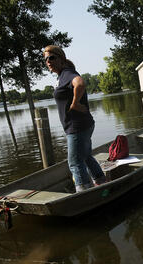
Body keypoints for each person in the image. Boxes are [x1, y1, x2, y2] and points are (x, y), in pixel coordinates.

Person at [43, 45, 106, 192]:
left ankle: (84, 191)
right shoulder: (62, 75)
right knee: (86, 156)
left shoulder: (66, 73)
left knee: (75, 162)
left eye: (52, 57)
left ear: (61, 59)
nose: (48, 61)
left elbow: (80, 83)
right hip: (82, 124)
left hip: (77, 127)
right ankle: (101, 182)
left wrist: (75, 103)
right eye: (46, 59)